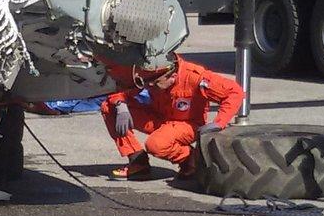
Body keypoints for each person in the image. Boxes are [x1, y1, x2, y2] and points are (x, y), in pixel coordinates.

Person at [101, 54, 244, 180]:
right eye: (148, 82)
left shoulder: (194, 76)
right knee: (109, 107)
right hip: (158, 117)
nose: (150, 86)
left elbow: (234, 92)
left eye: (155, 83)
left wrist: (219, 122)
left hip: (186, 124)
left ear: (173, 76)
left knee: (156, 144)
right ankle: (138, 162)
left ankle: (191, 159)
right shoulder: (149, 71)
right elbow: (120, 85)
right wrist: (120, 104)